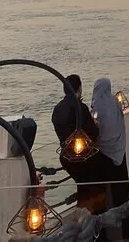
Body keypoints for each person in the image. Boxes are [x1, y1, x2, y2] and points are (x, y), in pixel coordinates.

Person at [51, 75, 107, 215]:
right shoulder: (80, 108)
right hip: (85, 158)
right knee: (96, 187)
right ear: (79, 88)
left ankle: (83, 217)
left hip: (66, 157)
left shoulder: (57, 109)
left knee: (83, 186)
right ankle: (97, 220)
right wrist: (95, 123)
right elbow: (93, 133)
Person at [91, 77, 129, 240]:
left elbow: (96, 128)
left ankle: (103, 230)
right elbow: (119, 125)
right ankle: (128, 227)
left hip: (104, 155)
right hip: (119, 152)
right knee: (122, 192)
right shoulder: (116, 103)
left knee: (103, 195)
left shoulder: (97, 105)